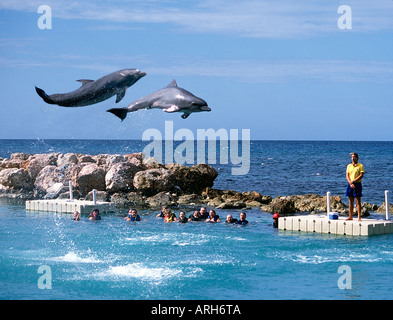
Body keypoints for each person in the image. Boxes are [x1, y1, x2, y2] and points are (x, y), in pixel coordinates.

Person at [345, 152, 365, 221]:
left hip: (357, 184)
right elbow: (347, 175)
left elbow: (361, 175)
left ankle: (359, 217)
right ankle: (350, 216)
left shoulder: (360, 165)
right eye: (352, 157)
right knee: (350, 201)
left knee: (358, 201)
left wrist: (353, 181)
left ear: (357, 158)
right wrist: (350, 183)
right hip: (350, 184)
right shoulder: (349, 166)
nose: (353, 158)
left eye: (354, 157)